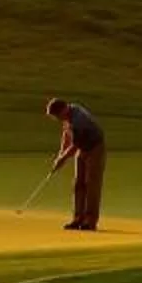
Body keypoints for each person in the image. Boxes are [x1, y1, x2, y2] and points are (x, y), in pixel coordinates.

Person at [46, 98, 106, 231]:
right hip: (82, 147)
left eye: (57, 115)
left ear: (64, 109)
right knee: (78, 183)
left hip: (95, 148)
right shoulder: (67, 115)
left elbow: (74, 147)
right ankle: (77, 218)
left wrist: (62, 159)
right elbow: (67, 135)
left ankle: (90, 221)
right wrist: (60, 155)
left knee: (91, 184)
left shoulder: (79, 120)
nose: (57, 119)